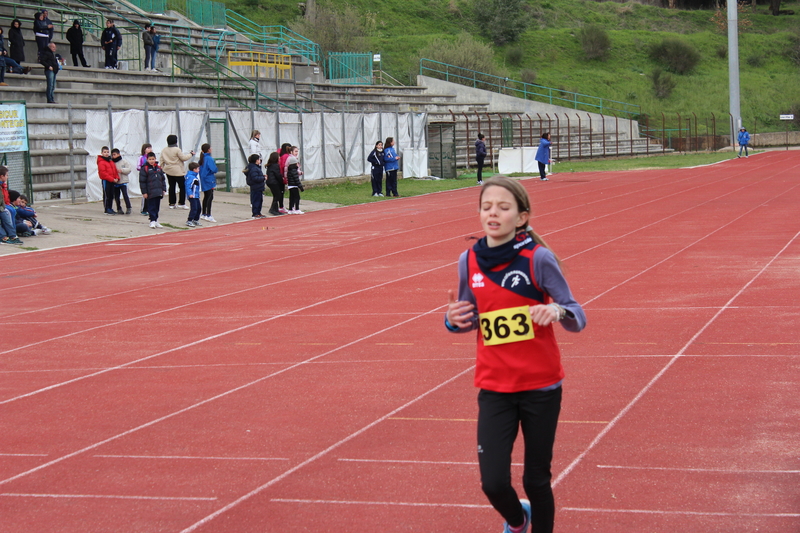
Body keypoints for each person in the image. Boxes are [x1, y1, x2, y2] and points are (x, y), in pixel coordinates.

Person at [445, 176, 586, 533]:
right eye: (487, 206)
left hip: (541, 388)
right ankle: (518, 521)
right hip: (495, 388)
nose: (493, 213)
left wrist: (557, 312)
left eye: (503, 208)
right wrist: (452, 320)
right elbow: (469, 318)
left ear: (521, 217)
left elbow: (577, 315)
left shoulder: (538, 259)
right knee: (492, 482)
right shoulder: (469, 261)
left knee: (536, 480)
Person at [159, 134, 194, 210]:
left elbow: (161, 160)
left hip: (168, 170)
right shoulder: (177, 149)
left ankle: (172, 203)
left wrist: (162, 168)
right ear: (175, 141)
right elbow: (183, 158)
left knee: (172, 187)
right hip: (178, 171)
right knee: (182, 186)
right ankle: (181, 203)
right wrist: (191, 154)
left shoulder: (164, 150)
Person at [139, 152, 166, 229]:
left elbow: (162, 179)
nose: (151, 161)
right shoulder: (145, 168)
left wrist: (163, 189)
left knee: (157, 206)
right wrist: (144, 192)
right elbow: (142, 181)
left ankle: (156, 220)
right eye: (150, 159)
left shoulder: (158, 168)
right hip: (150, 191)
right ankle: (152, 220)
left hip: (158, 191)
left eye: (153, 159)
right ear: (147, 159)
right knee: (151, 206)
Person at [0, 166, 23, 245]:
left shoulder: (2, 185)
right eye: (6, 175)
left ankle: (13, 236)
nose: (7, 177)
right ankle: (3, 237)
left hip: (1, 207)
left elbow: (3, 199)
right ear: (2, 176)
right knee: (7, 212)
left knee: (7, 213)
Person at [97, 146, 120, 215]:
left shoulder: (110, 161)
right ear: (102, 153)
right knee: (107, 195)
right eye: (105, 152)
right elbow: (103, 173)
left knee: (111, 195)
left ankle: (110, 207)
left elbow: (114, 171)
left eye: (107, 152)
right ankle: (107, 209)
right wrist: (112, 179)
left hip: (112, 180)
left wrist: (116, 178)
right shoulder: (101, 162)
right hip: (106, 180)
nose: (106, 153)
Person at [198, 143, 218, 222]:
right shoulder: (209, 159)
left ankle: (203, 213)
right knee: (210, 196)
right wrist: (216, 169)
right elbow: (213, 169)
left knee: (206, 196)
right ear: (208, 150)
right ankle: (208, 214)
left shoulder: (202, 159)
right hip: (209, 179)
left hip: (203, 179)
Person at [111, 148, 132, 214]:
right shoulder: (112, 163)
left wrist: (122, 170)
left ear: (118, 154)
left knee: (125, 195)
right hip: (116, 182)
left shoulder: (124, 162)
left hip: (123, 181)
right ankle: (119, 208)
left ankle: (128, 207)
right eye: (112, 155)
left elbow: (129, 169)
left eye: (115, 154)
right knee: (117, 196)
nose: (113, 156)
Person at [245, 153, 266, 218]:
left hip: (258, 186)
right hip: (256, 186)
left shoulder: (254, 167)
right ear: (256, 160)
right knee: (256, 200)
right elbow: (255, 178)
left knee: (259, 200)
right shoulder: (254, 168)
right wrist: (263, 178)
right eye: (259, 159)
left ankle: (258, 212)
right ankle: (255, 213)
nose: (260, 161)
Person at [264, 152, 285, 216]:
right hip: (273, 182)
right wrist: (282, 180)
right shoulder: (275, 165)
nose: (279, 158)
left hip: (271, 182)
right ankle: (273, 209)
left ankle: (275, 209)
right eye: (278, 157)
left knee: (276, 195)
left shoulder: (270, 165)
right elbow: (277, 175)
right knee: (277, 195)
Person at [285, 146, 304, 214]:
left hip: (291, 184)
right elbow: (296, 179)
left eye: (297, 151)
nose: (297, 153)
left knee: (292, 197)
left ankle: (291, 209)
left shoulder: (291, 170)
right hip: (293, 184)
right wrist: (300, 187)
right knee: (296, 197)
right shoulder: (291, 160)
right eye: (295, 151)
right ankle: (296, 209)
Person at [137, 143, 153, 216]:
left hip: (151, 177)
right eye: (148, 148)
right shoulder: (141, 157)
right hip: (144, 176)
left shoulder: (153, 157)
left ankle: (150, 208)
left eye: (150, 148)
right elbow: (138, 167)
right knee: (145, 193)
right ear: (144, 149)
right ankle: (144, 209)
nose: (150, 149)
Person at [185, 162, 202, 227]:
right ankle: (189, 220)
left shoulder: (195, 176)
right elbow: (188, 186)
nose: (199, 170)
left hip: (196, 196)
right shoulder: (191, 177)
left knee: (199, 208)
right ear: (194, 169)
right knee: (194, 208)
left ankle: (195, 219)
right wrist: (190, 194)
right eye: (198, 169)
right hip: (192, 196)